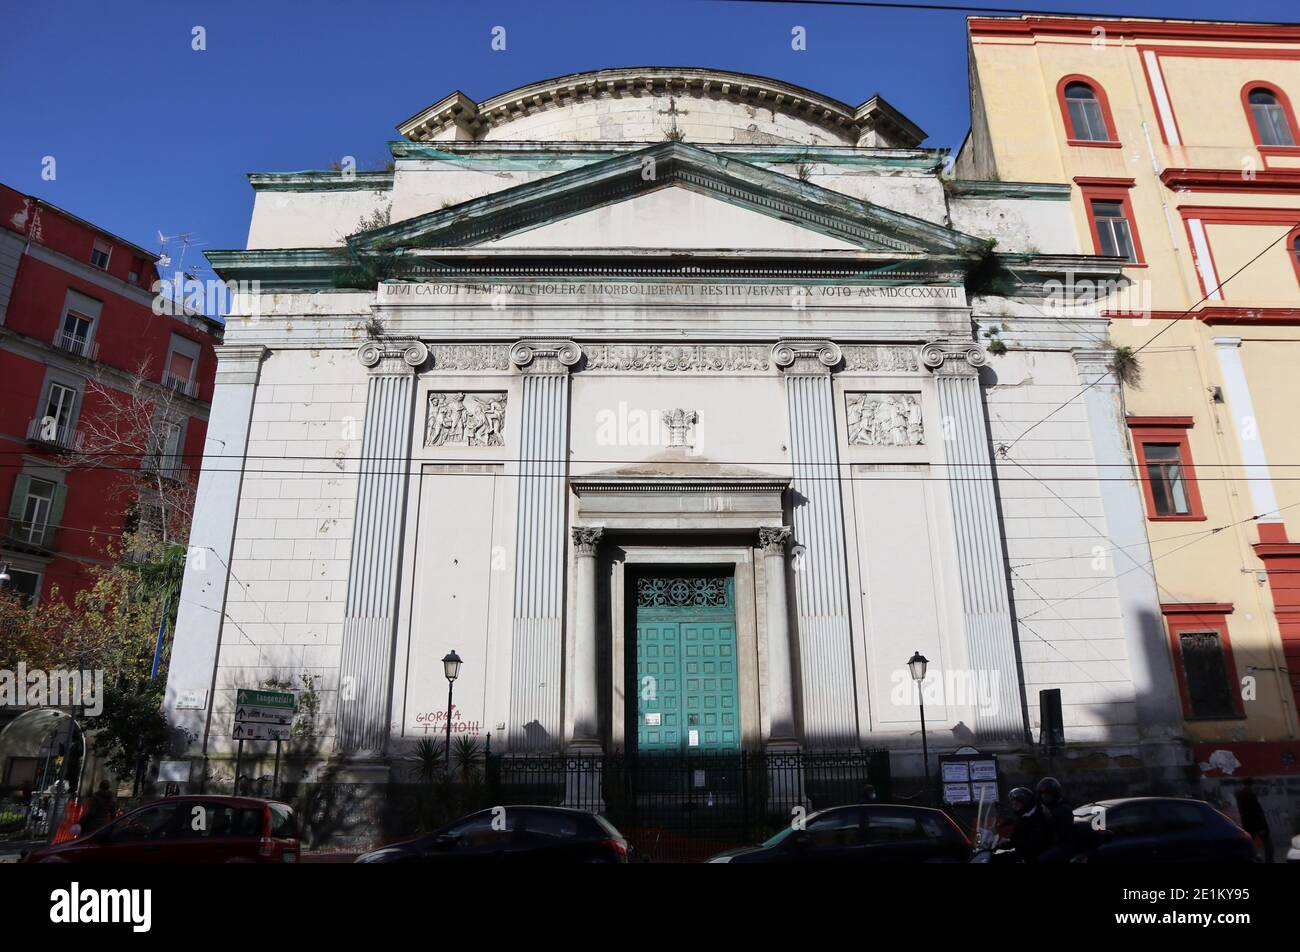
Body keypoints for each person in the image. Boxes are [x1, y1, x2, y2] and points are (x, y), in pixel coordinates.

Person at [1002, 786, 1055, 863]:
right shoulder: (1024, 817)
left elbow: (1032, 845)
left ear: (1026, 803)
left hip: (1034, 856)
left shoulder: (1037, 818)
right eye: (1013, 804)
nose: (1014, 807)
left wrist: (1011, 846)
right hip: (1024, 855)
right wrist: (1002, 844)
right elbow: (1017, 839)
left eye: (1017, 804)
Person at [1035, 776, 1077, 861]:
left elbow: (1063, 833)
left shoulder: (1063, 809)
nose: (1044, 797)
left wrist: (1050, 817)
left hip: (1063, 847)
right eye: (1042, 794)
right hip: (1050, 845)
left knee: (1042, 859)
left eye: (1047, 795)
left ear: (1054, 794)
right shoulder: (1045, 809)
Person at [1235, 778, 1273, 863]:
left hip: (1247, 823)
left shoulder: (1239, 795)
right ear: (1251, 784)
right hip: (1257, 824)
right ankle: (1269, 861)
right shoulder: (1250, 794)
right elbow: (1256, 811)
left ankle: (1246, 859)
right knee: (1268, 844)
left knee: (1247, 844)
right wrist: (1262, 826)